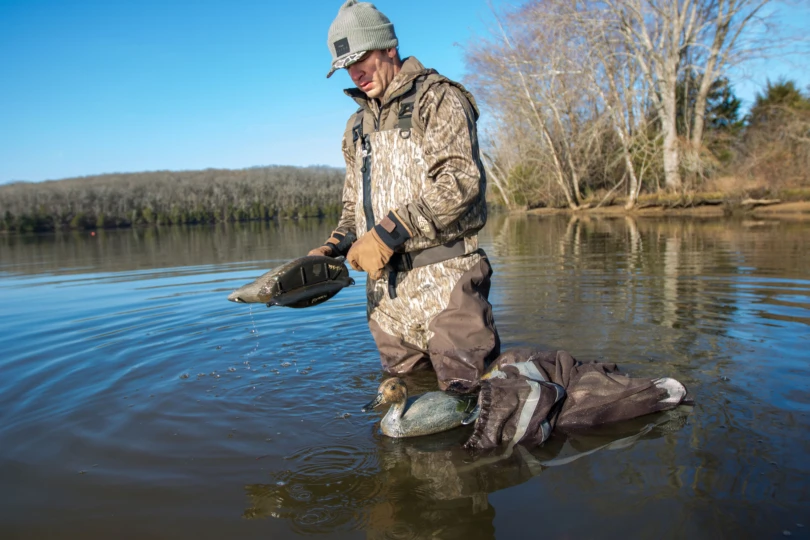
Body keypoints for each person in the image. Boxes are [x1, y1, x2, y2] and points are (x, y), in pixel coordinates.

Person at [308, 0, 499, 392]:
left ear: (389, 47)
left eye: (360, 58)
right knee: (403, 414)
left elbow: (459, 183)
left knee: (473, 406)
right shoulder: (355, 126)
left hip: (447, 285)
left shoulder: (439, 98)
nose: (354, 72)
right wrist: (335, 245)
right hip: (386, 302)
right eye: (346, 65)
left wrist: (385, 235)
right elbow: (353, 209)